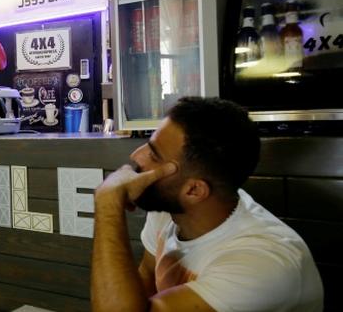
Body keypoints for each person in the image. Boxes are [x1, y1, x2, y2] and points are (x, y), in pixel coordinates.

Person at [91, 97, 323, 312]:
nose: (136, 156)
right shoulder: (171, 209)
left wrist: (108, 204)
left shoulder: (264, 263)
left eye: (154, 155)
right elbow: (148, 276)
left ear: (194, 190)